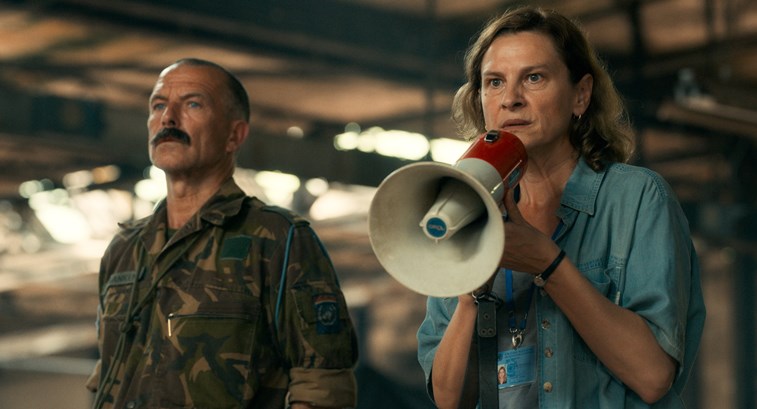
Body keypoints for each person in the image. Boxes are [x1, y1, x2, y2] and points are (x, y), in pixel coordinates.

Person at [417, 7, 705, 409]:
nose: (511, 99)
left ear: (580, 95)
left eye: (534, 78)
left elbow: (653, 377)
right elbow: (450, 400)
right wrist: (469, 295)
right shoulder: (464, 210)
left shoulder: (638, 198)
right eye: (494, 82)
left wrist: (548, 264)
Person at [86, 58, 358, 409]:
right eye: (158, 105)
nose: (168, 119)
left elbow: (323, 385)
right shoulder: (125, 248)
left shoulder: (278, 238)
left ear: (234, 135)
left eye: (193, 104)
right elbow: (107, 376)